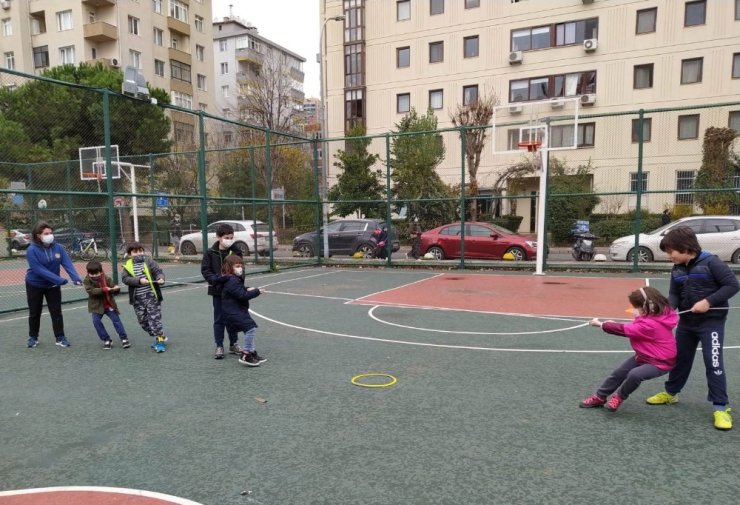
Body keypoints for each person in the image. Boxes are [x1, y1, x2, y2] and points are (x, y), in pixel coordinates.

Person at [646, 226, 739, 430]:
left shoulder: (712, 262)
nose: (670, 256)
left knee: (712, 361)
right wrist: (667, 309)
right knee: (680, 359)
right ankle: (671, 394)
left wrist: (708, 301)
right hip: (687, 324)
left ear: (685, 248)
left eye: (671, 252)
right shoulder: (677, 269)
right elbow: (675, 294)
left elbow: (732, 285)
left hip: (711, 323)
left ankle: (721, 407)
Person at [580, 286, 678, 412]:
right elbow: (637, 325)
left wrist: (601, 324)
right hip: (644, 356)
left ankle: (619, 397)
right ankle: (600, 397)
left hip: (661, 362)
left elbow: (625, 330)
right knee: (619, 373)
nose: (634, 310)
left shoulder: (650, 324)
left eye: (636, 307)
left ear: (649, 306)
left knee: (635, 375)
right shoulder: (659, 314)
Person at [24, 221, 83, 348]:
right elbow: (38, 269)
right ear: (38, 235)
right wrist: (59, 279)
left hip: (53, 286)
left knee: (56, 312)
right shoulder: (31, 250)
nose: (50, 235)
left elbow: (67, 263)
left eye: (51, 233)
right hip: (34, 284)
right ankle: (33, 337)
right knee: (35, 312)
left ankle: (60, 337)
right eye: (46, 233)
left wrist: (76, 278)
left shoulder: (58, 248)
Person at [201, 223, 243, 359]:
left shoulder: (236, 251)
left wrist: (236, 283)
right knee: (219, 319)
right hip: (218, 292)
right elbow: (206, 271)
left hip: (233, 293)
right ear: (218, 237)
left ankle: (233, 343)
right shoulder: (210, 253)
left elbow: (241, 271)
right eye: (226, 237)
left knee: (232, 318)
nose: (229, 240)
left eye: (231, 237)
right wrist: (217, 280)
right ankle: (219, 345)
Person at [121, 242, 168, 353]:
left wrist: (160, 278)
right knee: (143, 321)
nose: (139, 253)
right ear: (129, 254)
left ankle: (159, 340)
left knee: (154, 320)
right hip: (137, 299)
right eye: (135, 252)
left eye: (141, 251)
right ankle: (158, 335)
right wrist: (139, 280)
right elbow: (125, 279)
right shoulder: (127, 265)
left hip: (152, 296)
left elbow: (158, 272)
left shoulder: (149, 261)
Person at [220, 255, 265, 367]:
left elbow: (238, 291)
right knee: (250, 328)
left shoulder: (233, 279)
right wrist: (256, 292)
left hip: (237, 309)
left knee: (249, 329)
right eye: (237, 266)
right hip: (233, 311)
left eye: (241, 266)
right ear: (230, 267)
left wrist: (247, 288)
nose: (240, 268)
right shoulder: (232, 280)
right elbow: (241, 295)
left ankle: (252, 352)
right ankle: (246, 354)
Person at [83, 260, 129, 349]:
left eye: (96, 274)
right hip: (96, 307)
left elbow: (113, 286)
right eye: (91, 274)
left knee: (116, 321)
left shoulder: (106, 278)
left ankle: (124, 338)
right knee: (96, 321)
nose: (94, 276)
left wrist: (116, 288)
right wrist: (103, 289)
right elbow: (91, 291)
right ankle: (106, 339)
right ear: (88, 273)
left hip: (109, 305)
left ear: (101, 272)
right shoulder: (87, 280)